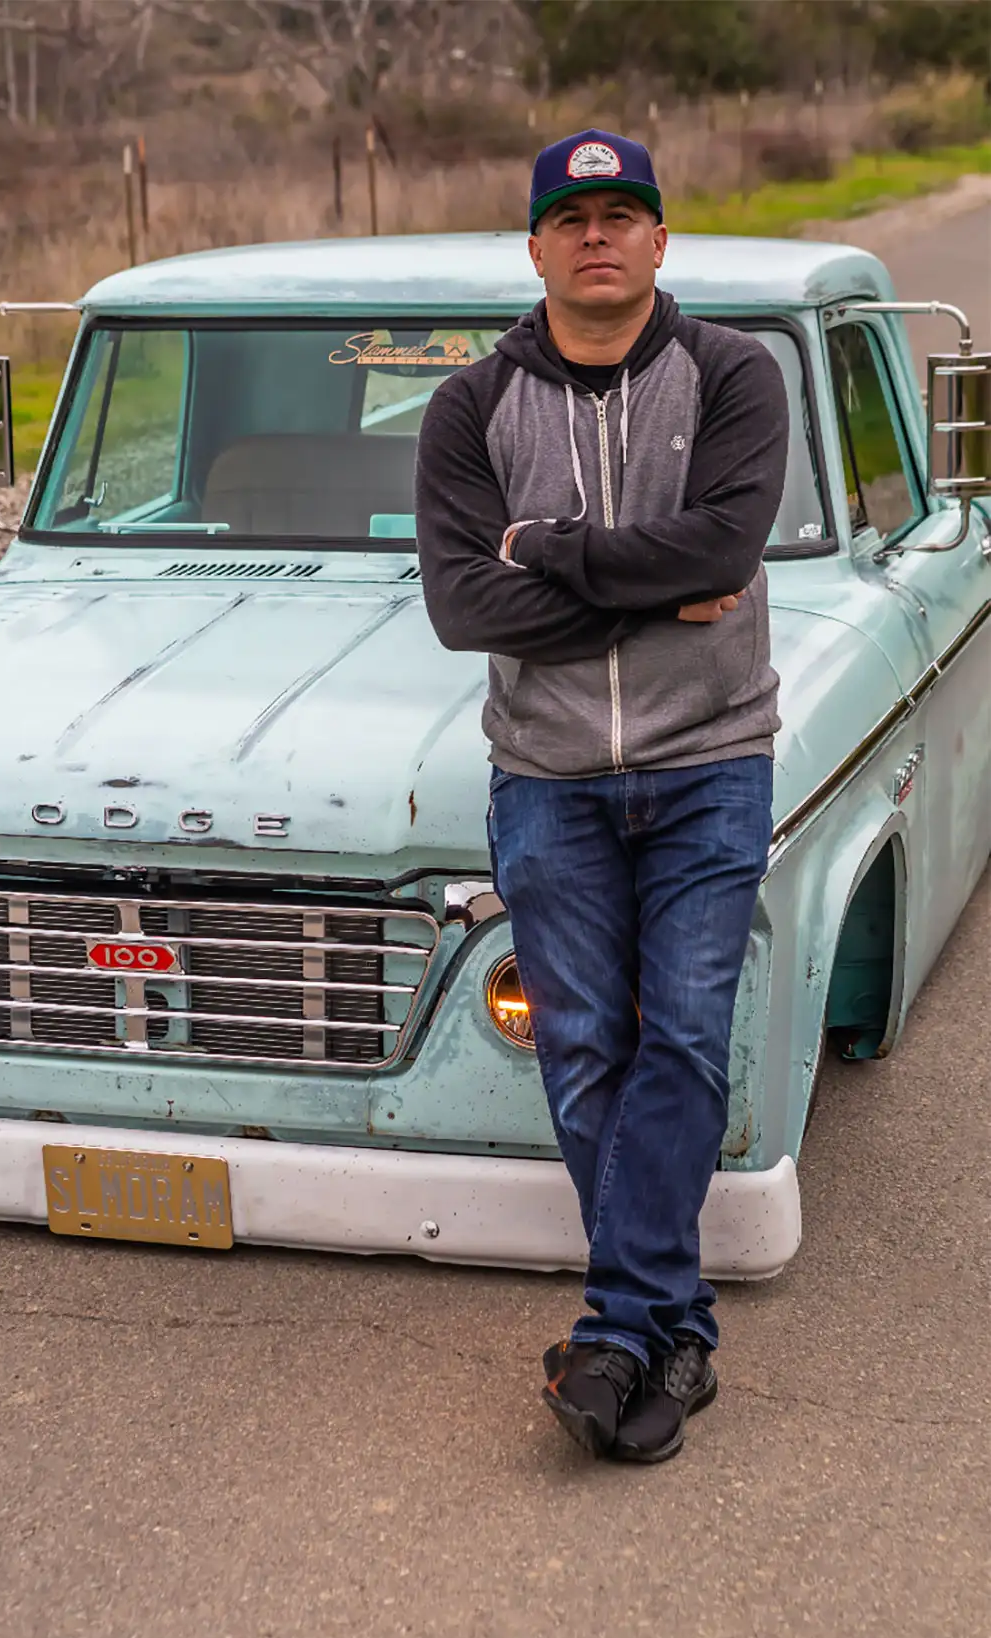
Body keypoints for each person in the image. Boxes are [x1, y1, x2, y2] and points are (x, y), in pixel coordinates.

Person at [414, 129, 789, 1464]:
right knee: (583, 1058)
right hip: (551, 779)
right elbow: (465, 606)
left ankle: (620, 1332)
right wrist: (650, 599)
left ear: (660, 240)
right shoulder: (470, 409)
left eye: (624, 212)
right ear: (535, 246)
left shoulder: (736, 376)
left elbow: (724, 549)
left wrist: (555, 557)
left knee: (681, 1038)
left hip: (708, 765)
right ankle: (667, 1323)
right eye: (573, 217)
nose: (598, 235)